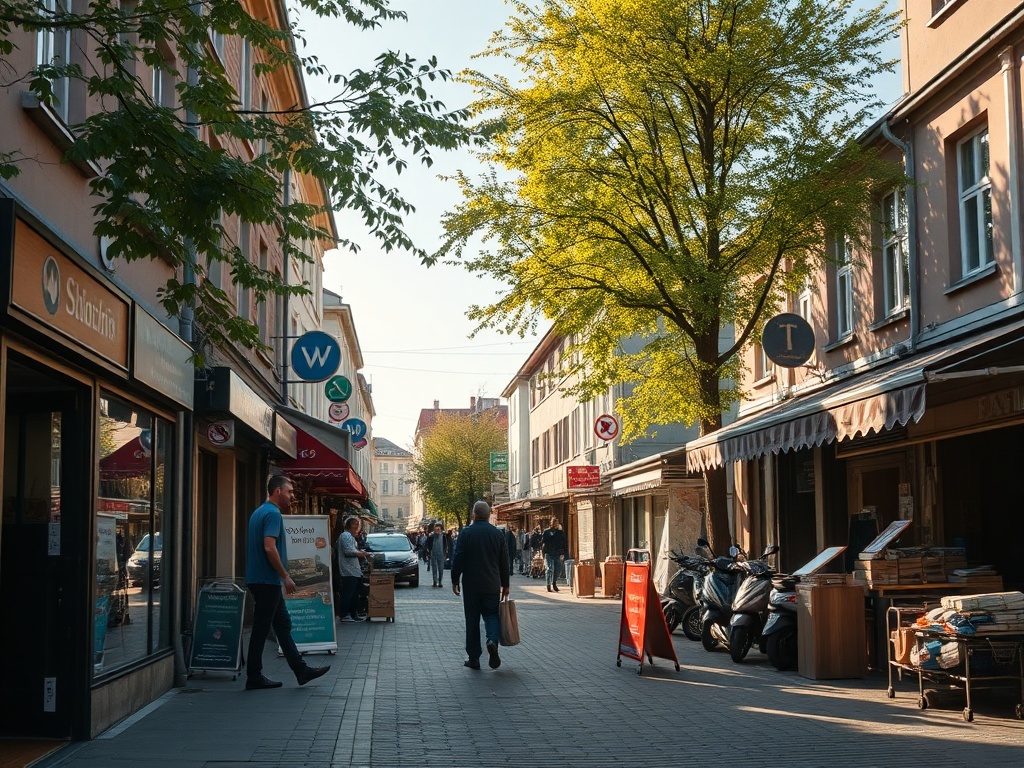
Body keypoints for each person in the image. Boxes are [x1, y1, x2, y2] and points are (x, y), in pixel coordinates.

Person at [245, 475, 330, 690]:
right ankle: (254, 676)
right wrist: (284, 575)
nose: (292, 495)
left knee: (281, 625)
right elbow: (269, 546)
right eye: (289, 491)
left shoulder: (259, 512)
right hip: (267, 580)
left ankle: (301, 671)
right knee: (262, 629)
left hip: (262, 579)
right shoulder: (273, 514)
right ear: (277, 492)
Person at [451, 500, 509, 670]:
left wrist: (455, 580)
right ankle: (492, 641)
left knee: (472, 619)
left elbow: (458, 558)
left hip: (471, 585)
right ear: (489, 515)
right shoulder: (498, 534)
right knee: (491, 615)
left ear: (474, 515)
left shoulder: (466, 533)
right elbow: (504, 562)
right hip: (492, 584)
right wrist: (505, 584)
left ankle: (474, 658)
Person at [336, 515, 369, 622]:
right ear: (349, 525)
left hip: (354, 570)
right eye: (355, 524)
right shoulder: (345, 536)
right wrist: (362, 554)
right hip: (348, 570)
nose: (357, 526)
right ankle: (345, 614)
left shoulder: (350, 536)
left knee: (354, 594)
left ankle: (353, 613)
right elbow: (348, 552)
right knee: (348, 593)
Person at [541, 516, 567, 593]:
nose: (555, 525)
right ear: (551, 523)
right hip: (548, 553)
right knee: (549, 569)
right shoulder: (546, 532)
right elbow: (543, 542)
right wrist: (543, 553)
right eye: (554, 523)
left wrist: (563, 553)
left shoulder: (560, 533)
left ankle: (554, 582)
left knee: (558, 569)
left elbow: (564, 543)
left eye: (557, 523)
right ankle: (548, 584)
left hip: (557, 553)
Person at [425, 523, 449, 587]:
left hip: (441, 553)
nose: (437, 530)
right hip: (433, 553)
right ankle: (435, 581)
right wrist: (428, 552)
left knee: (441, 568)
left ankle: (440, 581)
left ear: (441, 529)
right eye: (436, 528)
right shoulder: (431, 536)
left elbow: (446, 545)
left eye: (439, 528)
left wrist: (446, 553)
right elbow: (428, 544)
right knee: (434, 568)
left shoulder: (443, 536)